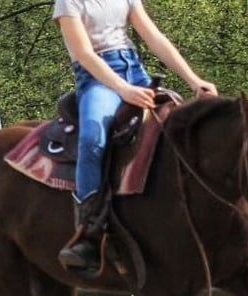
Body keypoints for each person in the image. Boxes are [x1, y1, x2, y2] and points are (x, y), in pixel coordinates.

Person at [53, 0, 218, 270]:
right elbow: (84, 54)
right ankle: (89, 232)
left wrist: (193, 80)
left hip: (134, 68)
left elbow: (153, 36)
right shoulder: (68, 2)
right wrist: (122, 89)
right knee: (92, 138)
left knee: (184, 128)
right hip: (97, 78)